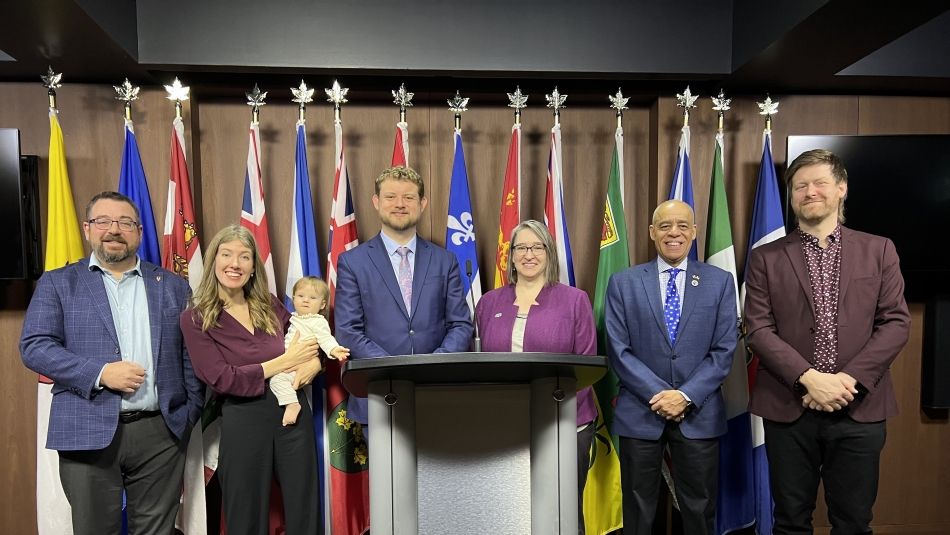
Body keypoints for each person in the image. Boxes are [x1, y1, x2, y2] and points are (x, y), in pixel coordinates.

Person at [745, 149, 910, 534]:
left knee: (853, 522)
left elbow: (896, 323)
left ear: (841, 189)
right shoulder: (765, 258)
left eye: (819, 182)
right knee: (789, 522)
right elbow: (758, 328)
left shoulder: (879, 249)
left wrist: (847, 380)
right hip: (789, 407)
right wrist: (809, 378)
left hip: (860, 406)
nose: (809, 192)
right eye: (800, 186)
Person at [20, 191, 204, 534]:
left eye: (125, 222)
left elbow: (191, 355)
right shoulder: (59, 283)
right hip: (85, 429)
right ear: (88, 229)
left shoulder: (174, 287)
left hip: (160, 434)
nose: (114, 229)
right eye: (103, 221)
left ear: (139, 232)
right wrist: (101, 373)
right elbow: (35, 346)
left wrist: (187, 414)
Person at [605, 199, 737, 535]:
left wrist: (686, 396)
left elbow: (724, 351)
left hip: (699, 412)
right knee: (637, 509)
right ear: (652, 232)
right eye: (664, 226)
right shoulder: (624, 282)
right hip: (641, 413)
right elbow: (619, 350)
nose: (673, 232)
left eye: (682, 225)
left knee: (699, 508)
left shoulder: (720, 282)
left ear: (694, 232)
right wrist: (661, 395)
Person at [180, 224, 322, 534]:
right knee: (245, 514)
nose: (235, 264)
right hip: (243, 418)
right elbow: (221, 377)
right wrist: (283, 362)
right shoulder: (196, 317)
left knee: (304, 508)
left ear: (253, 266)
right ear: (213, 260)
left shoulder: (268, 304)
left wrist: (314, 362)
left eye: (244, 257)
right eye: (227, 254)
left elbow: (304, 335)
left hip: (292, 413)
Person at [475, 219, 597, 534]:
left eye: (537, 247)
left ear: (548, 253)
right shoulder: (489, 303)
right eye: (521, 247)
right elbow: (479, 365)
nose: (529, 254)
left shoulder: (574, 300)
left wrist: (556, 415)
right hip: (503, 425)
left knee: (564, 512)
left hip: (565, 425)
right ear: (511, 255)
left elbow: (585, 367)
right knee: (508, 510)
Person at [335, 165, 473, 426]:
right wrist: (394, 370)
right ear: (376, 202)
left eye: (409, 197)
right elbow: (347, 330)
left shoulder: (445, 261)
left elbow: (460, 324)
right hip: (376, 396)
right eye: (390, 197)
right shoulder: (353, 262)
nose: (400, 204)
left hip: (436, 396)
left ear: (422, 203)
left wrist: (431, 367)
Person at [275, 276, 350, 426]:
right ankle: (290, 398)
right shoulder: (293, 318)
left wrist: (334, 349)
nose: (306, 300)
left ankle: (292, 404)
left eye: (312, 298)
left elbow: (325, 338)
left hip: (303, 363)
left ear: (322, 304)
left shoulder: (317, 321)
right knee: (277, 379)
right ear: (293, 298)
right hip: (288, 361)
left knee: (277, 380)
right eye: (301, 296)